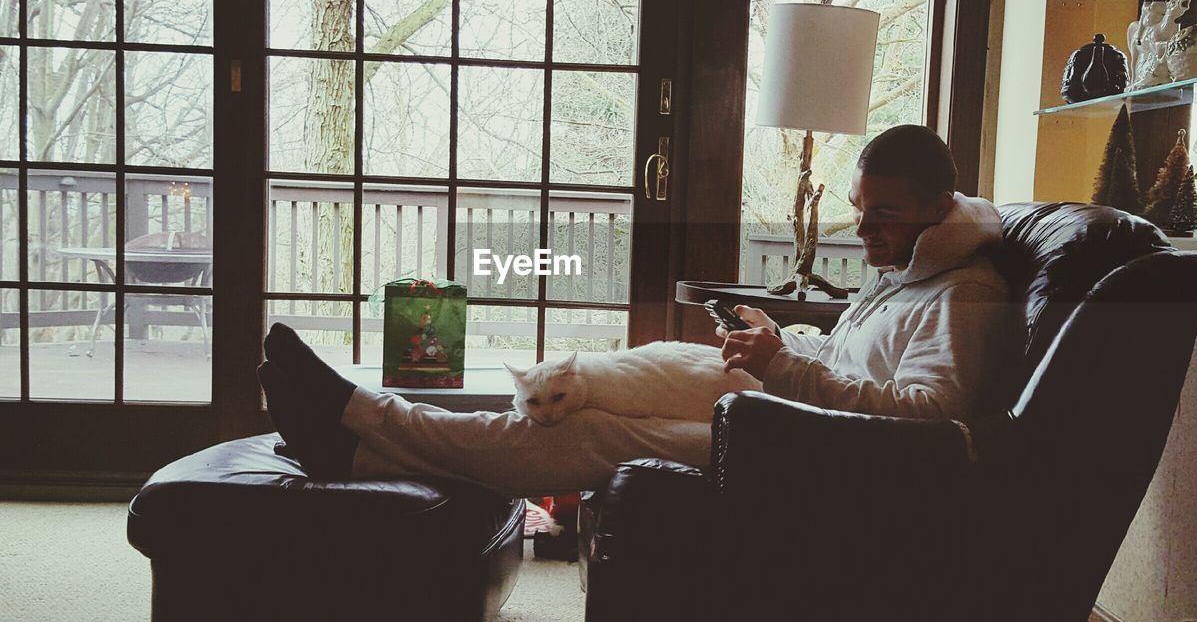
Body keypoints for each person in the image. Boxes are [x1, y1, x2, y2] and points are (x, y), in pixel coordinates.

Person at [259, 124, 1014, 497]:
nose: (865, 229)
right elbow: (856, 364)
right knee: (600, 404)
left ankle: (364, 416)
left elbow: (928, 419)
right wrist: (781, 343)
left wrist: (782, 367)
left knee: (594, 431)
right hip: (800, 425)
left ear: (941, 205)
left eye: (883, 213)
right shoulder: (908, 267)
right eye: (859, 210)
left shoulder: (963, 293)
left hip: (831, 462)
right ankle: (355, 448)